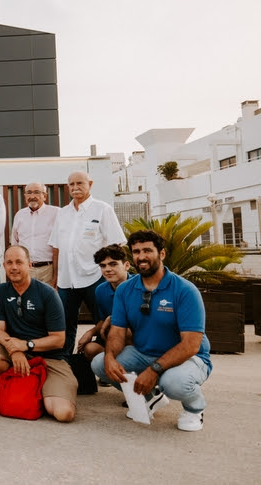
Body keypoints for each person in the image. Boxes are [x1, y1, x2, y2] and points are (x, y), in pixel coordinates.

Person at [91, 230, 212, 432]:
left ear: (161, 254)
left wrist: (153, 370)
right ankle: (150, 398)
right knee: (100, 364)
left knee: (174, 382)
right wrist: (110, 356)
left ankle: (194, 409)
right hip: (144, 352)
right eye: (136, 251)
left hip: (189, 357)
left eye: (147, 250)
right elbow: (118, 332)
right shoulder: (124, 290)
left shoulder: (184, 290)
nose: (141, 256)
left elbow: (191, 345)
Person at [0, 245, 78, 422]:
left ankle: (35, 389)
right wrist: (14, 350)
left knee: (63, 414)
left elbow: (58, 339)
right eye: (9, 262)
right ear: (4, 266)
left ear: (29, 264)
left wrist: (26, 345)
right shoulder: (0, 292)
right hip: (18, 353)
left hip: (51, 359)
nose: (14, 267)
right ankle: (24, 384)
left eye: (19, 262)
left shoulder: (47, 293)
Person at [49, 170, 126, 357]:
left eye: (79, 183)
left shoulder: (102, 209)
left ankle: (108, 362)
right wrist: (55, 277)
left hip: (95, 277)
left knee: (104, 322)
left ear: (89, 184)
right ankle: (66, 362)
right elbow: (57, 247)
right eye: (71, 184)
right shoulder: (63, 213)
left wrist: (111, 274)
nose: (75, 188)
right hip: (67, 280)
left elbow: (116, 244)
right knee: (66, 323)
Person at [77, 244, 133, 361]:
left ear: (126, 265)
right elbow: (102, 321)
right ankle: (113, 369)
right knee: (90, 349)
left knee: (124, 331)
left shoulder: (139, 286)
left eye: (113, 264)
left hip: (136, 337)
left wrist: (113, 319)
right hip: (111, 337)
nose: (107, 269)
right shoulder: (100, 290)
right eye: (103, 266)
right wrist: (90, 332)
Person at [11, 182, 59, 285]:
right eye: (29, 193)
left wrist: (56, 275)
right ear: (25, 196)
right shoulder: (19, 215)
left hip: (48, 269)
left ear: (45, 196)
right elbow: (15, 244)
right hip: (26, 270)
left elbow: (60, 245)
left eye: (37, 192)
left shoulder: (56, 213)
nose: (32, 196)